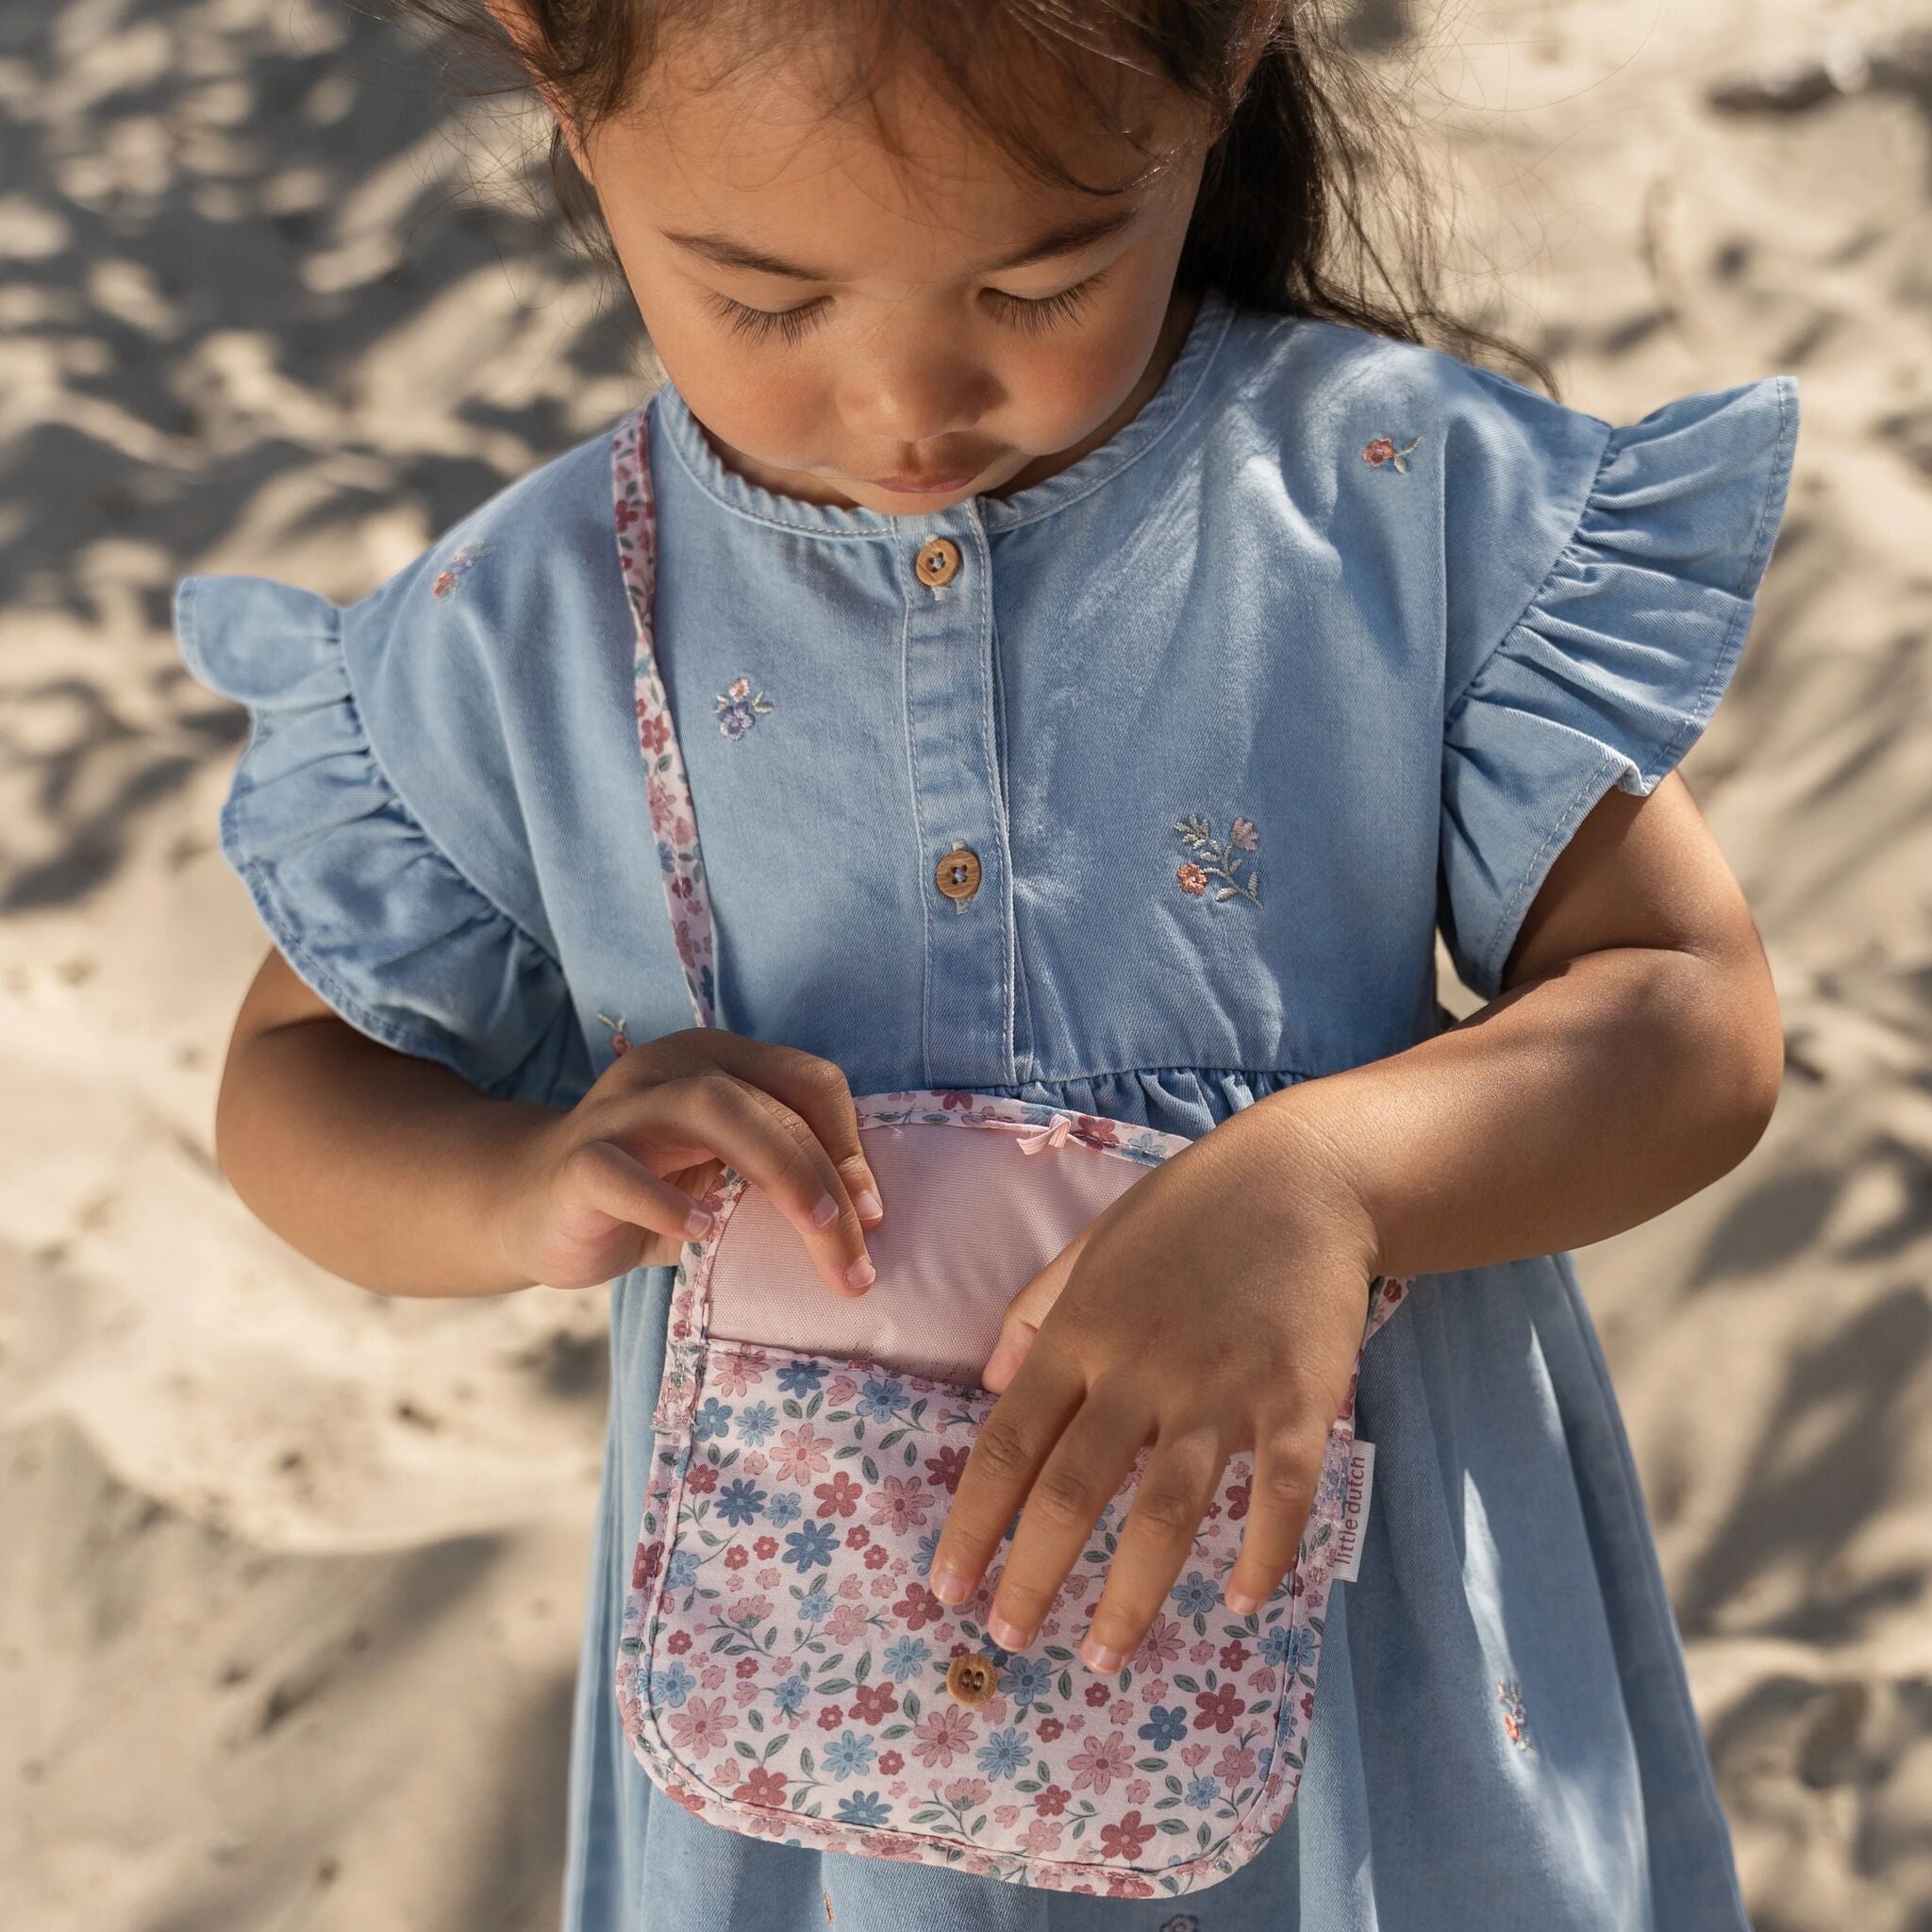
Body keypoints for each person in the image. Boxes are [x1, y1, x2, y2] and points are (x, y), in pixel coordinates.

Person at [171, 1, 1800, 1925]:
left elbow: (1687, 1014)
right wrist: (515, 1179)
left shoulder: (1384, 503)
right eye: (766, 299)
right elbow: (291, 1089)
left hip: (1366, 1711)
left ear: (1223, 61)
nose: (905, 401)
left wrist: (1326, 1182)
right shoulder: (522, 627)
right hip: (820, 1772)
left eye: (1037, 279)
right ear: (559, 79)